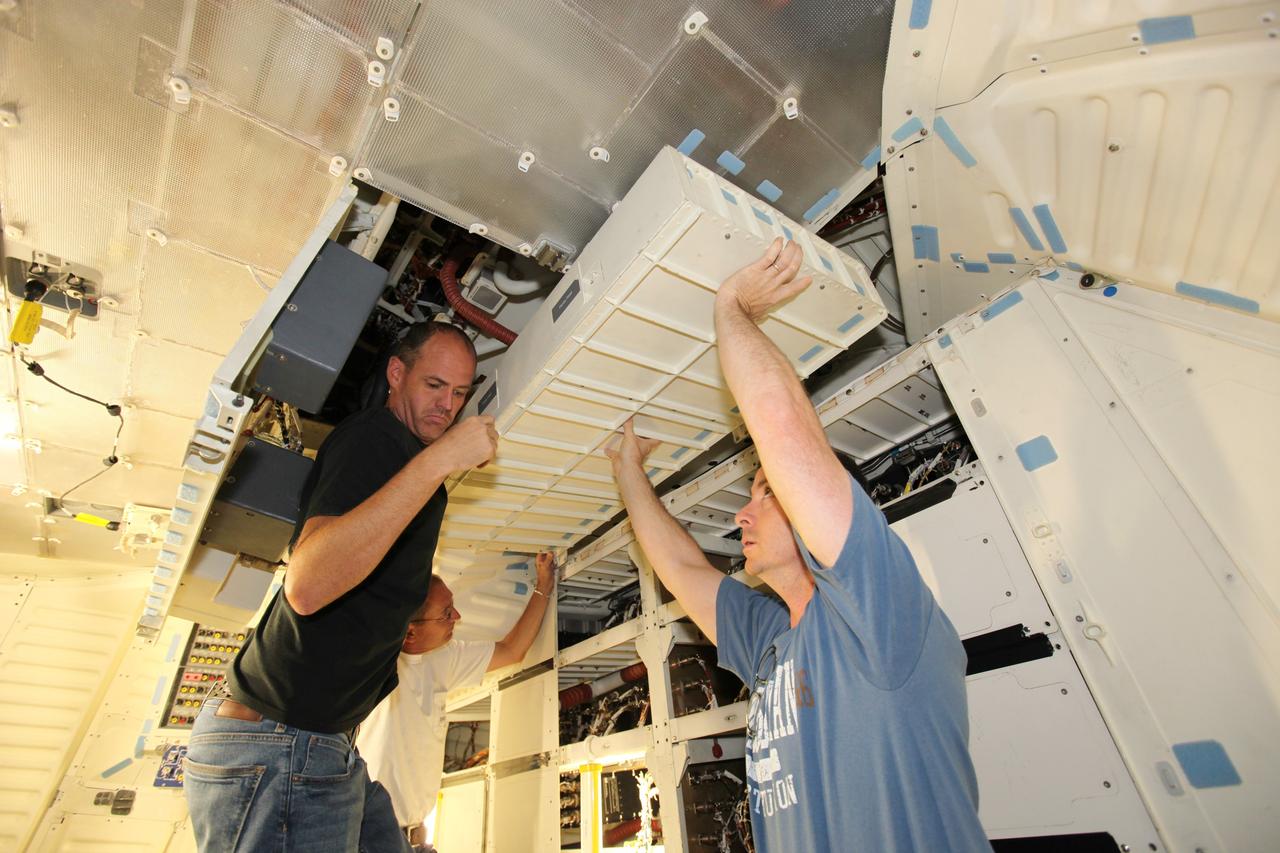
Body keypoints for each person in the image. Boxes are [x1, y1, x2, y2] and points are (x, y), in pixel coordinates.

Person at [606, 239, 991, 852]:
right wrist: (628, 472)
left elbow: (786, 432)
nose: (741, 514)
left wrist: (732, 308)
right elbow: (681, 568)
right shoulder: (773, 643)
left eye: (765, 493)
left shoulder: (878, 612)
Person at [184, 321, 499, 852]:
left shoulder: (405, 464)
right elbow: (307, 587)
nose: (448, 405)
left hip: (320, 742)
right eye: (435, 386)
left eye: (461, 393)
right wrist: (443, 458)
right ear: (396, 374)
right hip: (279, 743)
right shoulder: (373, 441)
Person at [358, 554, 557, 849]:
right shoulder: (378, 666)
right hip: (373, 839)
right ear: (409, 632)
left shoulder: (444, 658)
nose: (457, 617)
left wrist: (543, 586)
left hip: (415, 840)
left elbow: (512, 650)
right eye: (446, 613)